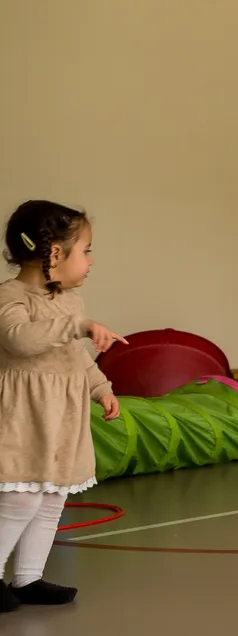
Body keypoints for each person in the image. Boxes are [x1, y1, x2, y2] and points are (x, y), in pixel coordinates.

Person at [0, 200, 126, 613]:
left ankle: (28, 578)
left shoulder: (71, 303)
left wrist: (100, 387)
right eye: (86, 250)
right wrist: (78, 325)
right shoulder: (11, 297)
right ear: (55, 253)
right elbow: (19, 340)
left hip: (63, 417)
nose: (90, 262)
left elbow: (76, 356)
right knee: (20, 498)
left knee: (52, 496)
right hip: (23, 416)